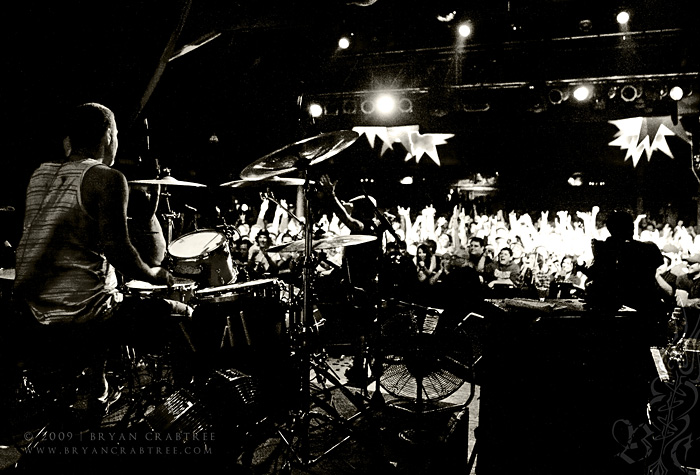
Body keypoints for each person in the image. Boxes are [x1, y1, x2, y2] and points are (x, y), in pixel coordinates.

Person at [12, 103, 193, 423]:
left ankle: (98, 390)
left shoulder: (39, 174)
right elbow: (119, 250)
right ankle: (186, 415)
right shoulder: (107, 178)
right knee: (185, 311)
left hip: (34, 312)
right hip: (85, 317)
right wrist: (154, 274)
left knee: (97, 288)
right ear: (109, 136)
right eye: (118, 135)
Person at [316, 174, 383, 388]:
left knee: (359, 329)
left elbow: (345, 217)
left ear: (363, 210)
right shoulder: (374, 228)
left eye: (355, 207)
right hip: (364, 284)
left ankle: (360, 366)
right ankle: (361, 365)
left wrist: (331, 196)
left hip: (360, 287)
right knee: (360, 329)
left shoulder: (363, 227)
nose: (351, 209)